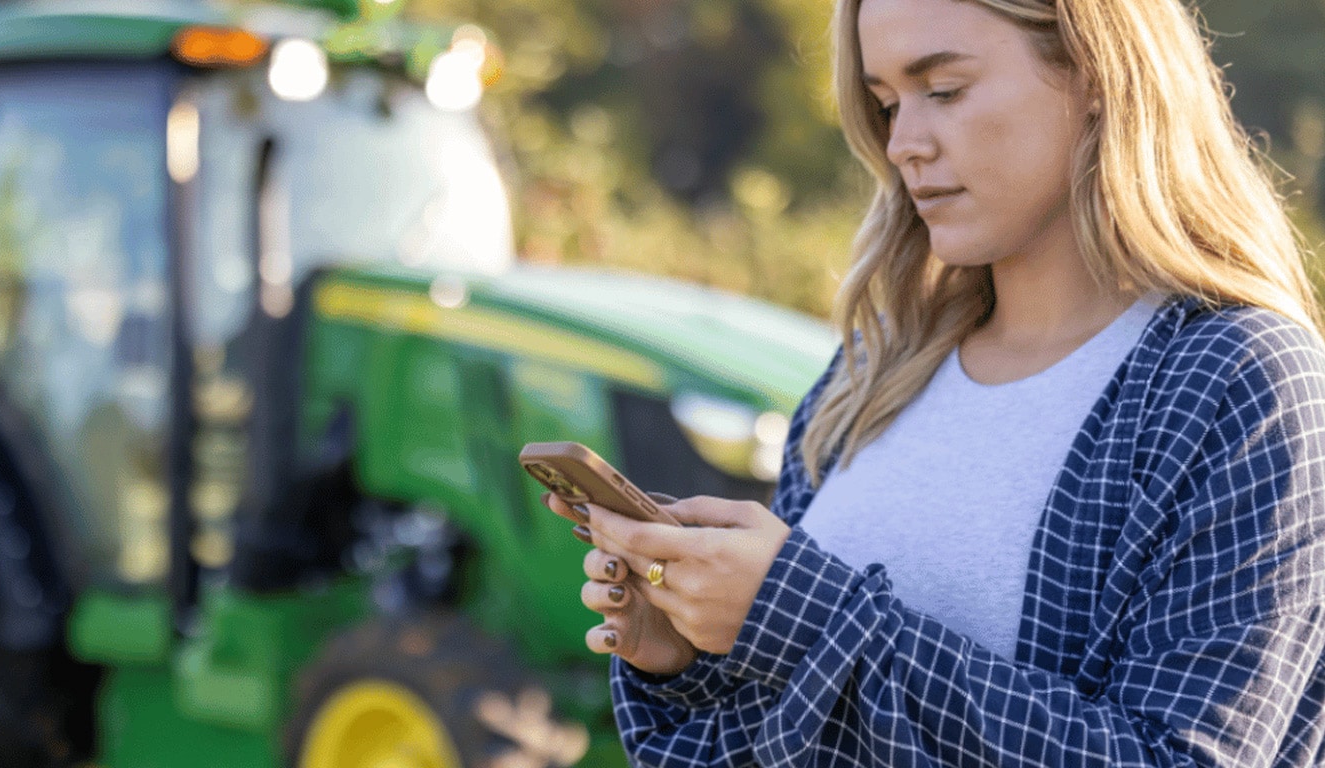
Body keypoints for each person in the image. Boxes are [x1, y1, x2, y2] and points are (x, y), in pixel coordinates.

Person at [545, 0, 1325, 764]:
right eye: (885, 103)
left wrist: (805, 618)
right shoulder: (872, 374)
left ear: (1095, 71)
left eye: (943, 90)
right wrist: (693, 662)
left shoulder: (1237, 382)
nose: (903, 143)